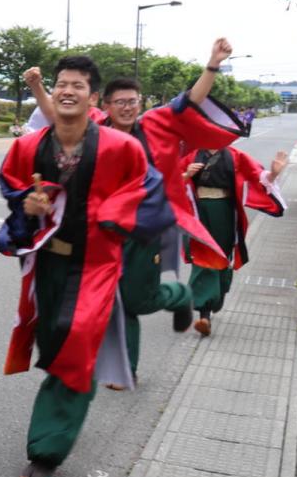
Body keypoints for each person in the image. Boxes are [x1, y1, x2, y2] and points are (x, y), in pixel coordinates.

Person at [25, 38, 249, 384]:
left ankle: (178, 295)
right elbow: (56, 117)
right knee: (111, 298)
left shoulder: (158, 123)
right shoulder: (94, 129)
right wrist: (38, 86)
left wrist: (213, 64)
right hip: (104, 228)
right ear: (106, 105)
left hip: (148, 227)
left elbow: (192, 100)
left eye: (132, 102)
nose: (126, 108)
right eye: (120, 103)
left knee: (134, 298)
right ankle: (124, 368)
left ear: (139, 103)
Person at [0, 56, 174, 477]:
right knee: (53, 339)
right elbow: (11, 185)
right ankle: (70, 395)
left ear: (93, 98)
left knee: (76, 341)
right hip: (47, 262)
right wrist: (27, 205)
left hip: (95, 263)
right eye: (62, 84)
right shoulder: (28, 146)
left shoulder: (121, 148)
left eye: (78, 85)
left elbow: (148, 192)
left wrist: (110, 216)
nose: (67, 91)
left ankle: (47, 450)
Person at [183, 146, 288, 335]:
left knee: (222, 255)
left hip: (224, 210)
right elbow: (170, 180)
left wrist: (272, 173)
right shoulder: (193, 153)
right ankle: (204, 314)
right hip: (198, 211)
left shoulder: (235, 155)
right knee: (202, 255)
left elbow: (258, 176)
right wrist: (185, 174)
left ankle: (216, 296)